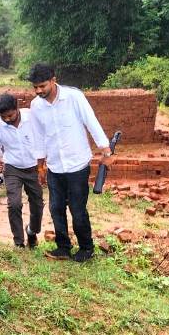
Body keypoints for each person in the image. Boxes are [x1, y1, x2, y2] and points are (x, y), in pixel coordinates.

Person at [28, 64, 111, 262]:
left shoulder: (74, 97)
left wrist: (105, 150)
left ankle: (86, 247)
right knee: (56, 207)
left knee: (77, 208)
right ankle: (63, 247)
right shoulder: (36, 106)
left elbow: (91, 122)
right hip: (55, 166)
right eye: (35, 87)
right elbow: (38, 136)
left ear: (53, 80)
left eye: (42, 86)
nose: (39, 91)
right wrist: (40, 166)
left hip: (77, 164)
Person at [0, 93, 44, 249]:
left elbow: (44, 138)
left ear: (17, 108)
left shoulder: (32, 117)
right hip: (12, 168)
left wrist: (43, 165)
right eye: (3, 116)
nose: (7, 119)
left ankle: (32, 231)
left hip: (33, 168)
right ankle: (18, 242)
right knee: (14, 204)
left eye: (10, 115)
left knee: (38, 203)